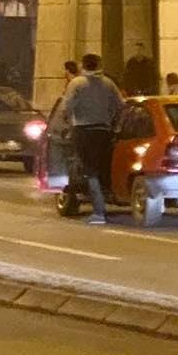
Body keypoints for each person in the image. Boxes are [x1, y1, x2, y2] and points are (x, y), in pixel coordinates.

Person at [63, 53, 124, 226]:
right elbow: (120, 105)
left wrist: (70, 123)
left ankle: (98, 211)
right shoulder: (108, 83)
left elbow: (67, 106)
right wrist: (112, 120)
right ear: (98, 65)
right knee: (102, 167)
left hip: (83, 130)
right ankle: (107, 200)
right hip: (104, 130)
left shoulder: (76, 83)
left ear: (83, 65)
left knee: (90, 170)